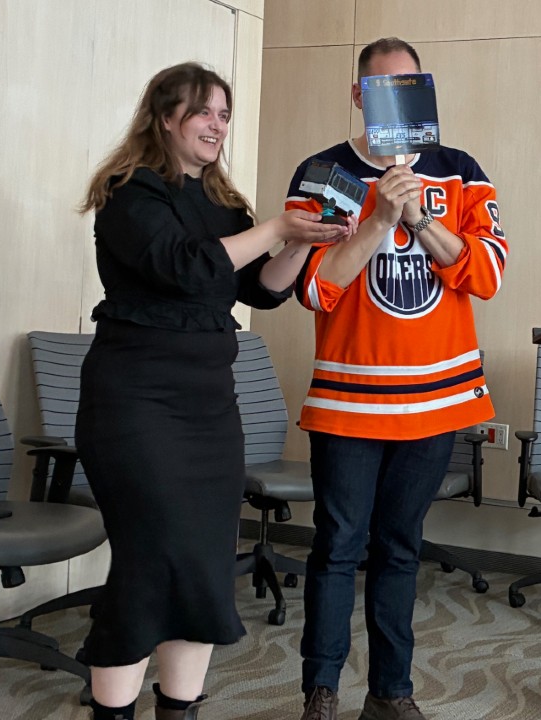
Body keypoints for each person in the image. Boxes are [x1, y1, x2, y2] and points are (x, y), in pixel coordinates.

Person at [76, 62, 354, 720]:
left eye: (225, 115)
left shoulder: (225, 204)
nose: (216, 125)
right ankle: (109, 713)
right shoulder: (130, 191)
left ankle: (180, 708)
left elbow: (259, 287)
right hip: (135, 402)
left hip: (208, 406)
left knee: (201, 564)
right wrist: (278, 229)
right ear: (166, 116)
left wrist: (305, 243)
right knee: (149, 562)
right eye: (204, 111)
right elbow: (186, 266)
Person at [286, 37, 508, 720]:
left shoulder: (460, 171)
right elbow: (315, 290)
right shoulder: (324, 172)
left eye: (410, 85)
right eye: (382, 87)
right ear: (359, 95)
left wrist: (418, 216)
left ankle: (391, 692)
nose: (396, 98)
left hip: (436, 400)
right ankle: (320, 689)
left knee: (400, 548)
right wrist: (378, 217)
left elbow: (488, 275)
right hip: (350, 400)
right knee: (336, 546)